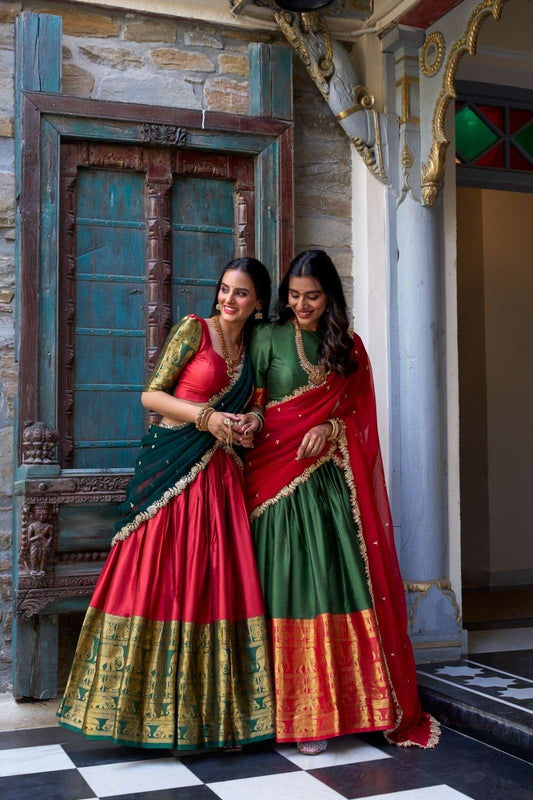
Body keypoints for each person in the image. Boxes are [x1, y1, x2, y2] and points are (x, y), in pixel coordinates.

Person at [57, 257, 275, 751]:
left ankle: (208, 719)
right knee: (161, 582)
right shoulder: (194, 330)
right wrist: (207, 416)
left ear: (258, 302)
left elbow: (258, 405)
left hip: (219, 485)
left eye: (240, 293)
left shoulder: (254, 351)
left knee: (209, 586)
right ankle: (132, 716)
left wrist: (250, 423)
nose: (228, 299)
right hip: (172, 479)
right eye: (223, 289)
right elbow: (151, 396)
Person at [239, 249, 440, 754]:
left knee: (322, 584)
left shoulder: (348, 347)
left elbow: (358, 418)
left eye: (312, 297)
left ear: (330, 298)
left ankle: (324, 713)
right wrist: (257, 425)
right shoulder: (266, 337)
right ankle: (263, 713)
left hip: (327, 486)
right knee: (275, 583)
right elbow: (252, 405)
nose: (301, 306)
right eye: (293, 296)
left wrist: (330, 428)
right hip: (271, 484)